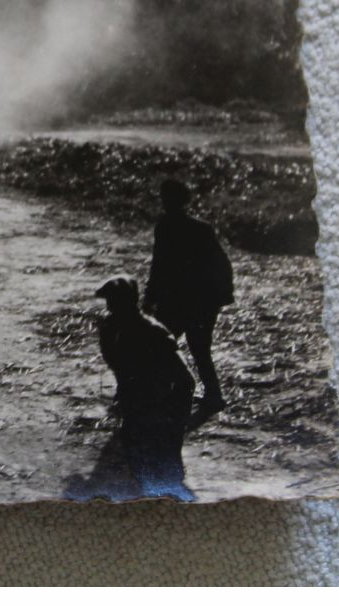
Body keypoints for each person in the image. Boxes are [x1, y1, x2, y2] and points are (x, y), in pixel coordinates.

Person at [95, 275, 195, 499]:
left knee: (162, 464)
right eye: (110, 302)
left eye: (117, 301)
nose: (112, 307)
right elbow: (122, 369)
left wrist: (171, 420)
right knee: (135, 458)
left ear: (132, 302)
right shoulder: (111, 329)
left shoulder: (154, 333)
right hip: (138, 402)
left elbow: (185, 381)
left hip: (163, 403)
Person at [143, 179, 235, 416]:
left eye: (168, 198)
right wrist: (223, 295)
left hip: (182, 299)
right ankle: (210, 395)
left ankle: (160, 393)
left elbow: (159, 265)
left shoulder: (166, 227)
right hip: (196, 299)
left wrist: (149, 298)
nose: (165, 203)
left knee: (165, 346)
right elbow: (222, 263)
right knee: (196, 348)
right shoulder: (199, 228)